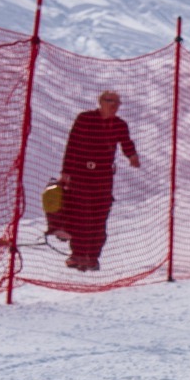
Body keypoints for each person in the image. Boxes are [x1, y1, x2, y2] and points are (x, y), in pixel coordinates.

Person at [52, 90, 139, 271]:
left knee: (99, 217)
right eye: (109, 101)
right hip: (81, 173)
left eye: (117, 102)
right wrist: (66, 172)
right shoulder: (85, 119)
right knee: (80, 215)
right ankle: (77, 254)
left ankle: (92, 257)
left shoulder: (119, 124)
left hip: (103, 177)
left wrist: (132, 156)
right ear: (100, 102)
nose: (113, 105)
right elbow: (72, 144)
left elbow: (126, 142)